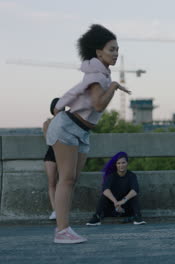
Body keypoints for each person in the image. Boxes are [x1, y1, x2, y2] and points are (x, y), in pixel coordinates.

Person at [46, 24, 131, 244]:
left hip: (81, 132)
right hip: (67, 127)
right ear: (98, 52)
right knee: (67, 179)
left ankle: (64, 229)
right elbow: (99, 105)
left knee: (71, 180)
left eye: (117, 49)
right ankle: (62, 231)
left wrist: (111, 84)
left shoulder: (100, 74)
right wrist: (113, 87)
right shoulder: (97, 75)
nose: (116, 53)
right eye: (111, 49)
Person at [86, 152, 146, 226]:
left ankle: (138, 217)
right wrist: (116, 203)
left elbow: (135, 190)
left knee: (134, 196)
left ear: (127, 163)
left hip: (126, 208)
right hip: (112, 208)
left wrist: (123, 201)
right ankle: (96, 217)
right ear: (116, 165)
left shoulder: (132, 176)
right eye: (118, 163)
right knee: (104, 196)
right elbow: (105, 190)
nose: (121, 165)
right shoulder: (111, 176)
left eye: (123, 163)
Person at [42, 98, 60, 220]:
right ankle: (55, 211)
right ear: (53, 108)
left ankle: (61, 209)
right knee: (52, 182)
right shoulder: (47, 123)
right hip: (52, 153)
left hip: (66, 153)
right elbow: (49, 139)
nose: (61, 108)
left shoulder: (69, 122)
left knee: (65, 182)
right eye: (58, 106)